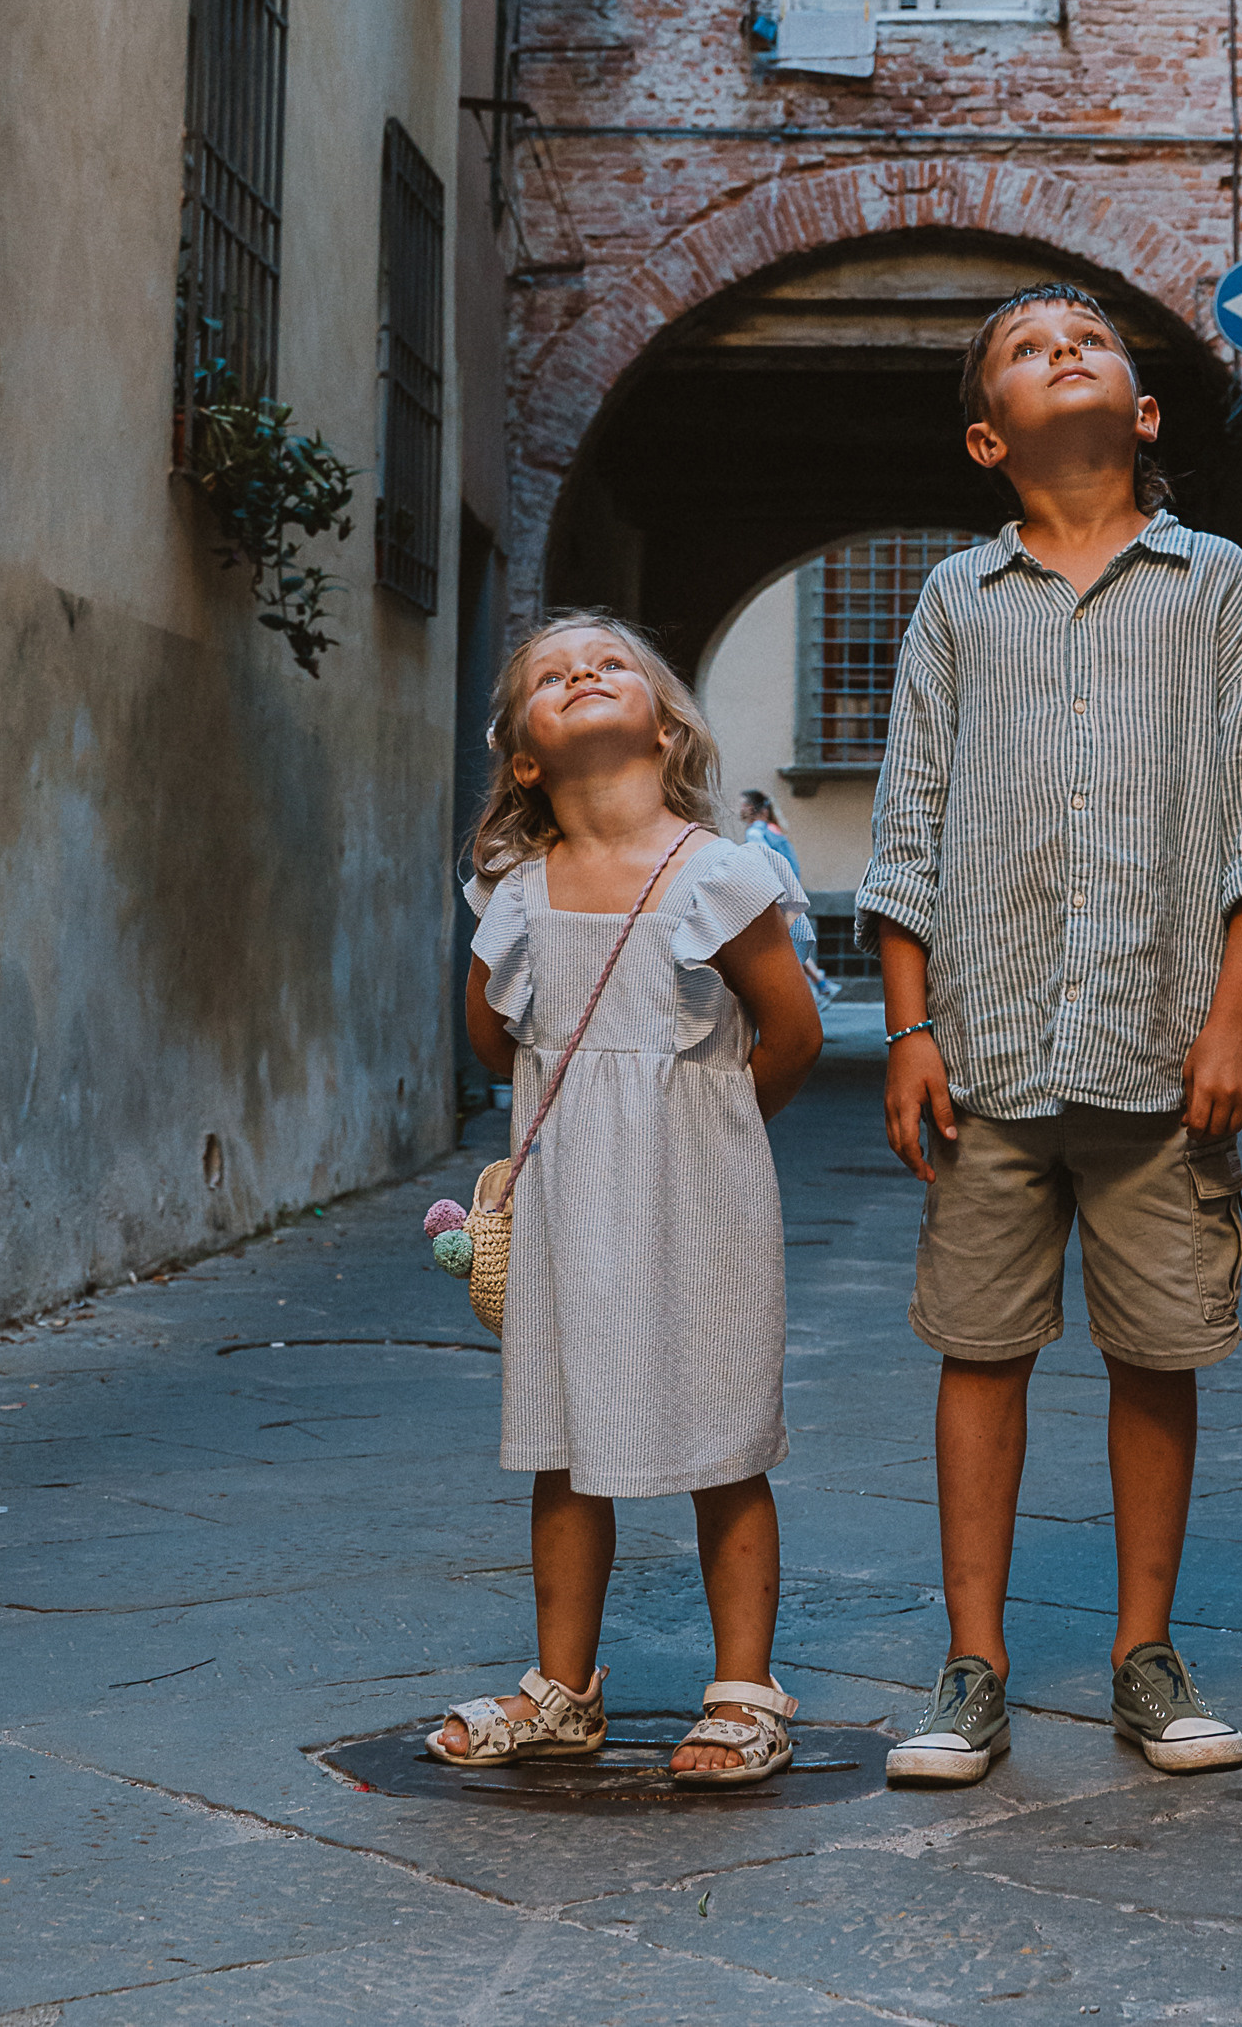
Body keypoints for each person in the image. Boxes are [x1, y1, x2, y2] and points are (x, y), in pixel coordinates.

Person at [860, 285, 1242, 1787]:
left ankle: (1145, 1655)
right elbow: (908, 825)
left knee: (1156, 1352)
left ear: (1145, 413)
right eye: (1025, 348)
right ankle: (973, 1668)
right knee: (981, 1356)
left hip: (1160, 1050)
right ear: (991, 436)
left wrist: (1237, 1013)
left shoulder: (1217, 585)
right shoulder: (954, 603)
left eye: (1095, 343)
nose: (1068, 350)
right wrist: (911, 1027)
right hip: (986, 1053)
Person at [430, 614, 822, 1784]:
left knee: (721, 1439)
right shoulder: (514, 888)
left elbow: (791, 1036)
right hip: (563, 1204)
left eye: (608, 666)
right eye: (551, 677)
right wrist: (594, 1105)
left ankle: (744, 1689)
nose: (582, 674)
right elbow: (496, 1043)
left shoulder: (720, 875)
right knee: (562, 1440)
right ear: (524, 760)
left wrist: (692, 1130)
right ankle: (563, 1686)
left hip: (700, 1195)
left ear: (664, 726)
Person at [741, 788, 840, 1003]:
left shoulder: (755, 832)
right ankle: (820, 986)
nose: (738, 809)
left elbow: (763, 864)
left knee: (784, 945)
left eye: (742, 804)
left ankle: (814, 990)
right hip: (790, 892)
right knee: (790, 942)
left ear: (752, 808)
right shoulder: (773, 829)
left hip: (774, 896)